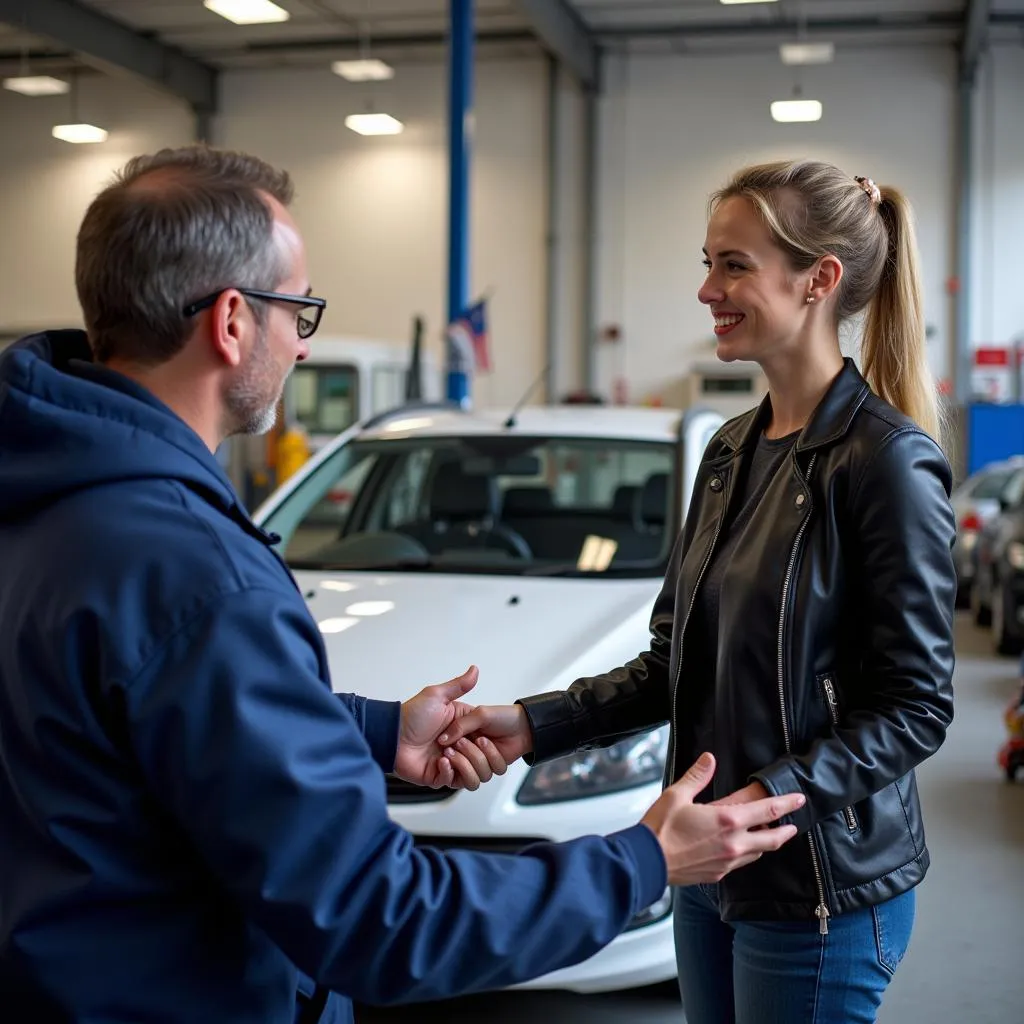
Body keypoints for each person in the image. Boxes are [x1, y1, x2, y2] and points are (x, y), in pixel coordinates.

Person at [0, 146, 806, 1024]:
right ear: (232, 321)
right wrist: (643, 861)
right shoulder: (200, 576)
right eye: (299, 311)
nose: (302, 344)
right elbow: (379, 918)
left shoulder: (45, 500)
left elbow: (149, 718)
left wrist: (379, 733)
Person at [440, 160, 957, 1023]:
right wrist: (533, 723)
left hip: (812, 882)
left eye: (733, 264)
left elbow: (915, 706)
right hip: (707, 868)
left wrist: (759, 805)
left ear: (818, 280)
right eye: (707, 261)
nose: (706, 288)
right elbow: (673, 664)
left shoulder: (885, 461)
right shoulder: (728, 453)